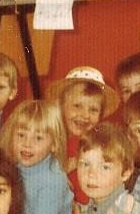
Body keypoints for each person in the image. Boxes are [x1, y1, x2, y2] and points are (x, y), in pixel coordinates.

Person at [47, 65, 119, 203]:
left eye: (93, 110)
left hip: (90, 208)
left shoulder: (99, 143)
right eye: (77, 106)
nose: (85, 115)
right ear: (62, 106)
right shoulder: (51, 138)